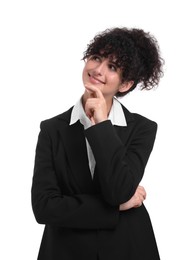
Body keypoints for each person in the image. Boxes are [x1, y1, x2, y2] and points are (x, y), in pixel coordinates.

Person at [31, 27, 164, 260]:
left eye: (112, 67)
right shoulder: (52, 129)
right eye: (96, 58)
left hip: (129, 248)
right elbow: (44, 207)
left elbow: (119, 190)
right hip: (66, 251)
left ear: (125, 84)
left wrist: (101, 124)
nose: (98, 70)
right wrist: (116, 208)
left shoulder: (142, 128)